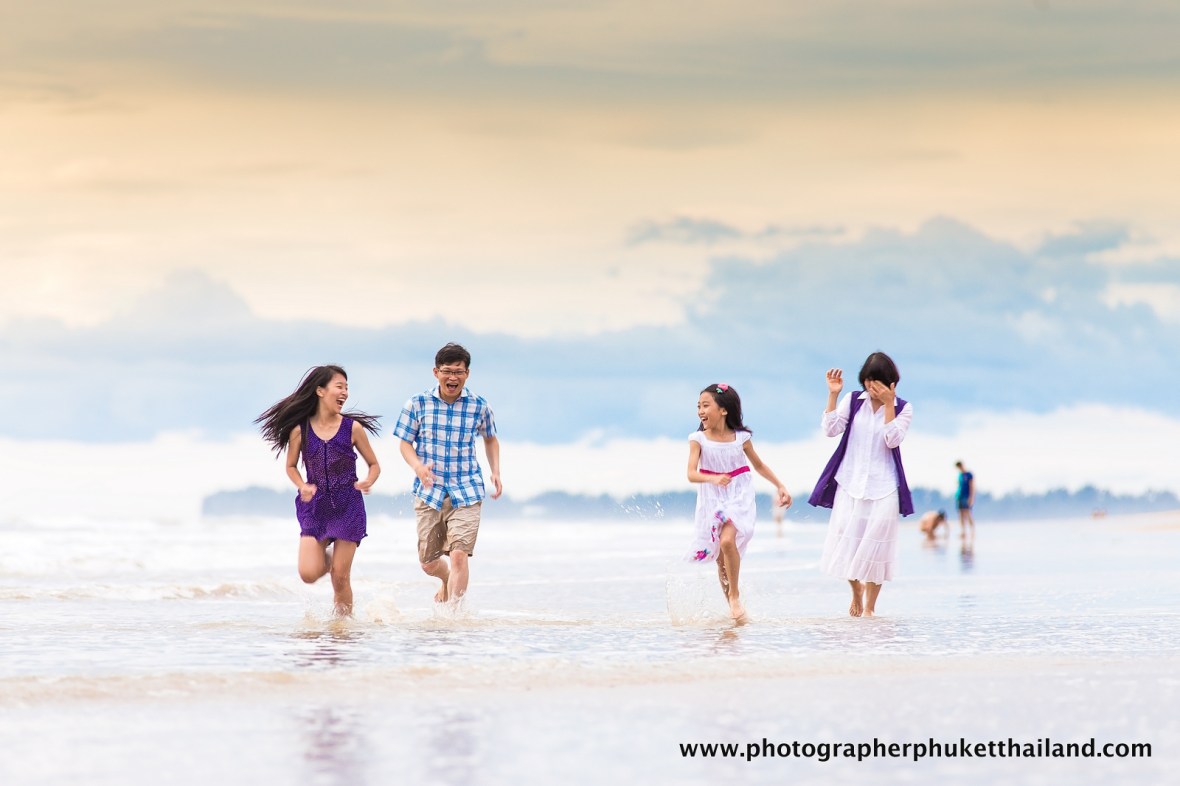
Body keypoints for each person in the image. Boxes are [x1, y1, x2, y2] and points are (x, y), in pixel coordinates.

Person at [255, 365, 381, 617]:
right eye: (339, 386)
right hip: (315, 506)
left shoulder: (353, 428)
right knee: (308, 574)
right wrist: (302, 485)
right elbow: (290, 466)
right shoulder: (299, 431)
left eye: (347, 387)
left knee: (340, 578)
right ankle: (333, 557)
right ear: (320, 391)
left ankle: (342, 627)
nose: (345, 392)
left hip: (347, 505)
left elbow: (375, 465)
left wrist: (368, 480)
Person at [393, 343, 501, 606]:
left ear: (467, 374)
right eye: (447, 371)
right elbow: (404, 443)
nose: (453, 377)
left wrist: (495, 471)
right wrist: (418, 467)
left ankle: (453, 617)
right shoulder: (417, 404)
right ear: (436, 372)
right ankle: (445, 579)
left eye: (459, 372)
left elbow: (490, 439)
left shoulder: (479, 406)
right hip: (430, 492)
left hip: (467, 490)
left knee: (459, 555)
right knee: (429, 563)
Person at [808, 352, 913, 618]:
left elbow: (893, 440)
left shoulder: (903, 408)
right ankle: (856, 593)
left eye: (876, 383)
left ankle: (870, 608)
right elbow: (830, 430)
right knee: (847, 542)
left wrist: (889, 405)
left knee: (877, 548)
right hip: (850, 483)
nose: (871, 388)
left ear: (890, 384)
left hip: (885, 487)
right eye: (867, 382)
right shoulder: (853, 401)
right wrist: (833, 395)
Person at [687, 383, 792, 623]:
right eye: (698, 406)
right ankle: (734, 609)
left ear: (723, 410)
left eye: (706, 405)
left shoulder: (741, 438)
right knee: (721, 560)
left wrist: (780, 485)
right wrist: (713, 478)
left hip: (738, 495)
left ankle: (734, 596)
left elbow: (759, 465)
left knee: (727, 541)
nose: (700, 411)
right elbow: (691, 474)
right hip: (712, 496)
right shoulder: (698, 439)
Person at [955, 461, 975, 541]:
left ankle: (972, 531)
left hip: (967, 496)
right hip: (959, 496)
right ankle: (963, 532)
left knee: (968, 513)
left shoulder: (969, 474)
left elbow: (972, 486)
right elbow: (958, 485)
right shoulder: (959, 475)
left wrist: (971, 497)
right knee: (960, 514)